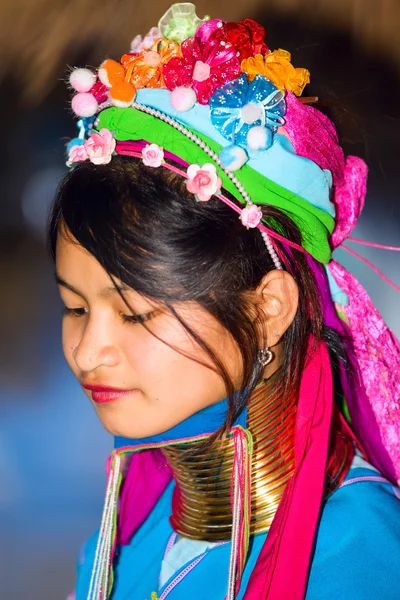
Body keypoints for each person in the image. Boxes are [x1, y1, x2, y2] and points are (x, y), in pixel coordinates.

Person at [48, 4, 400, 599]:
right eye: (75, 307)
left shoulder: (354, 556)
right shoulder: (133, 531)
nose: (88, 353)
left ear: (269, 309)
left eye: (136, 313)